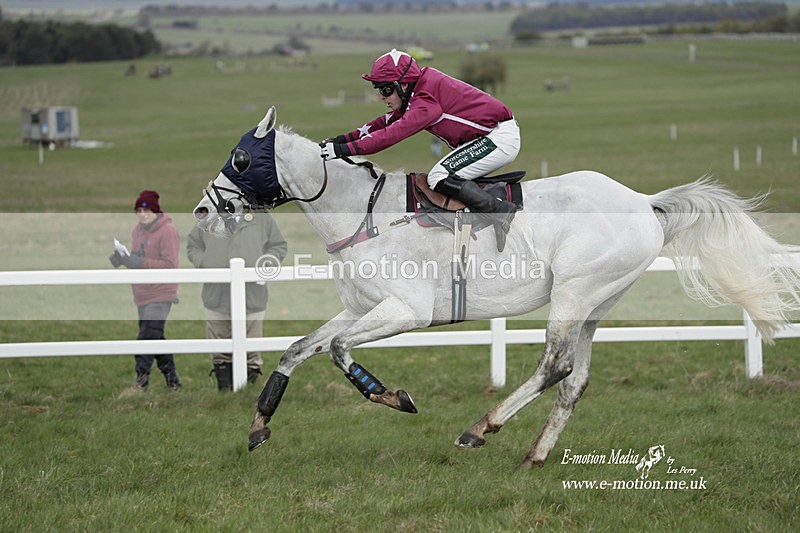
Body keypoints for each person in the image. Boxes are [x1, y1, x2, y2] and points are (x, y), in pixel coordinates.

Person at [320, 48, 521, 251]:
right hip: (490, 135)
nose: (382, 97)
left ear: (403, 85)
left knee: (438, 176)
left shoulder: (425, 101)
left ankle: (500, 211)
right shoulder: (419, 91)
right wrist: (338, 141)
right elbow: (382, 124)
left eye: (385, 89)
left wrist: (342, 150)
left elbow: (390, 135)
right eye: (379, 89)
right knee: (442, 175)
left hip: (499, 137)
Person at [187, 213, 287, 391]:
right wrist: (205, 263)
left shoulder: (263, 219)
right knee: (219, 345)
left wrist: (265, 264)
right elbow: (193, 245)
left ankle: (248, 393)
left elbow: (278, 246)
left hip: (253, 295)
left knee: (252, 346)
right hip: (216, 295)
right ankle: (224, 392)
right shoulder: (209, 217)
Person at [109, 190, 181, 391]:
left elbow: (169, 266)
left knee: (146, 337)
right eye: (139, 210)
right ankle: (173, 383)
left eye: (146, 209)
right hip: (142, 294)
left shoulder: (168, 231)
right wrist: (122, 259)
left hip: (162, 293)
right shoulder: (137, 231)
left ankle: (140, 384)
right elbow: (138, 257)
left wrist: (138, 262)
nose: (142, 214)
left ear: (155, 211)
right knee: (155, 337)